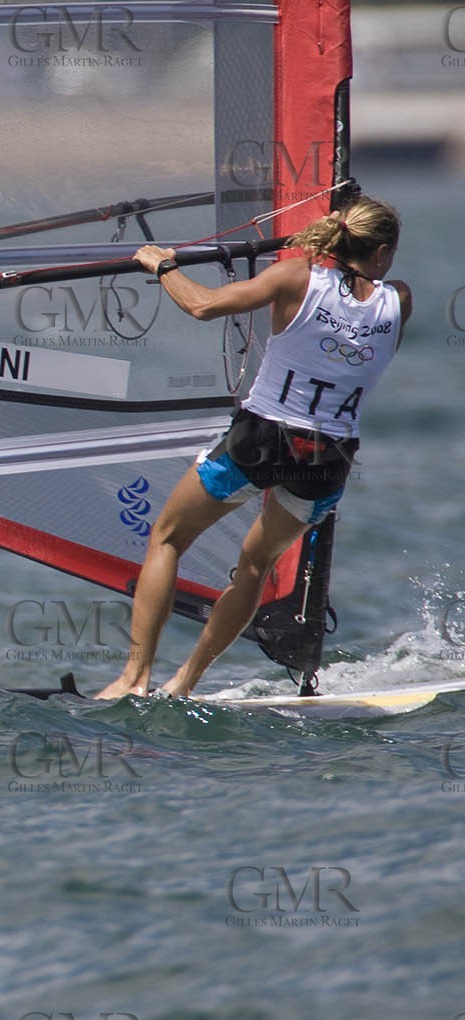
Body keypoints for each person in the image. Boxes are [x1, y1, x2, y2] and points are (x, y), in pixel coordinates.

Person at [94, 197, 411, 700]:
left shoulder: (294, 278)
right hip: (327, 457)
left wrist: (163, 266)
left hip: (262, 438)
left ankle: (134, 678)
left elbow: (202, 304)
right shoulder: (400, 299)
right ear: (383, 254)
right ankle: (187, 681)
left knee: (168, 539)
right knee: (255, 567)